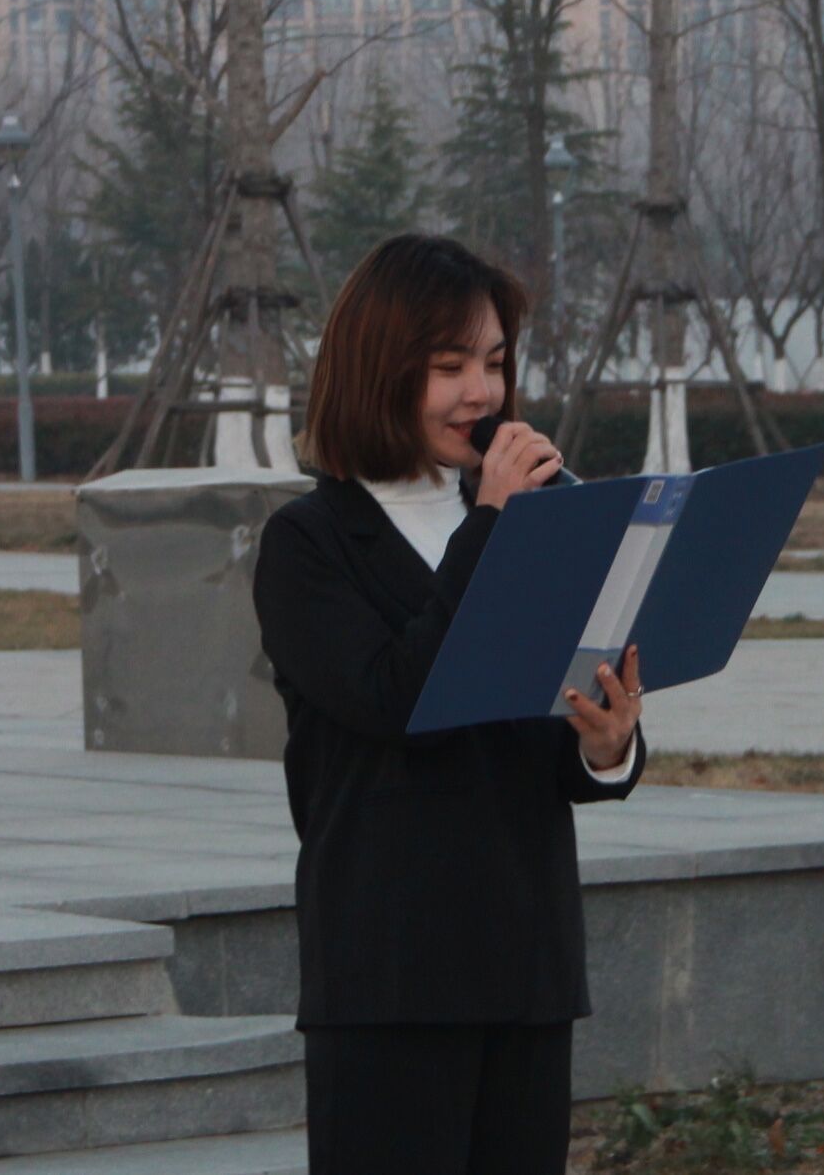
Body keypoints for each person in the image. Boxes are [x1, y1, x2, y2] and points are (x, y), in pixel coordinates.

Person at [252, 233, 646, 1175]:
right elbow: (401, 697)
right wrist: (494, 524)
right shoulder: (309, 544)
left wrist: (606, 745)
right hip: (390, 976)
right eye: (449, 367)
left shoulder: (535, 520)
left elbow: (540, 735)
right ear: (378, 371)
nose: (482, 393)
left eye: (495, 364)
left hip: (526, 962)